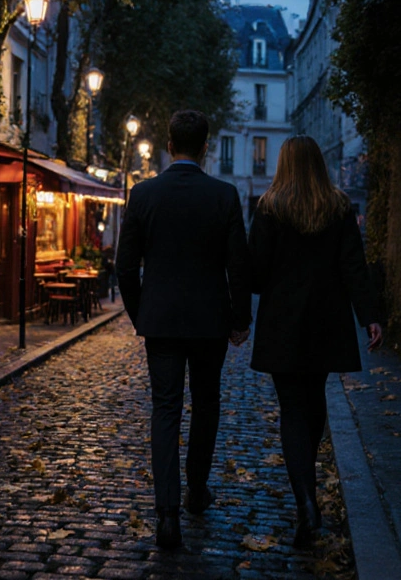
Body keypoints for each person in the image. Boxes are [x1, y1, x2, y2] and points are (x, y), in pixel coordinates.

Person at [115, 110, 252, 550]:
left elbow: (124, 267)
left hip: (162, 322)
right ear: (206, 147)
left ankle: (166, 513)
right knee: (207, 404)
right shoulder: (225, 196)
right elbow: (238, 265)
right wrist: (239, 318)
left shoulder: (143, 194)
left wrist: (142, 315)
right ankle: (196, 489)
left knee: (165, 408)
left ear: (169, 145)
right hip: (209, 322)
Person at [246, 135, 383, 549]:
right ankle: (307, 491)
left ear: (283, 164)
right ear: (319, 165)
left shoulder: (269, 207)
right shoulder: (339, 207)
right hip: (326, 319)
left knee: (291, 408)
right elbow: (353, 266)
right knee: (315, 397)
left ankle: (306, 501)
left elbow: (255, 273)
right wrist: (370, 316)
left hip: (283, 321)